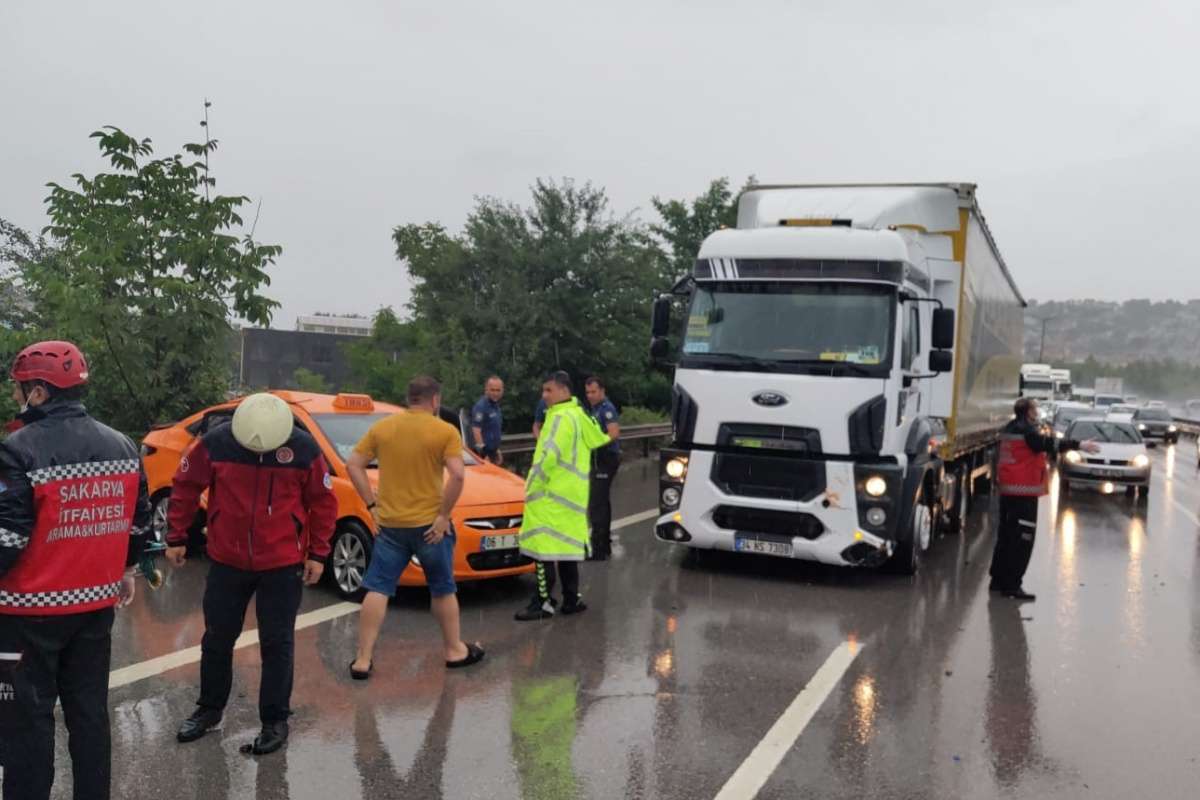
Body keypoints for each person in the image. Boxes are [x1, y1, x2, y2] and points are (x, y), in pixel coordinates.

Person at [0, 340, 151, 800]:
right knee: (89, 715)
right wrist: (126, 569)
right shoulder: (122, 444)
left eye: (20, 389)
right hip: (94, 608)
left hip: (27, 614)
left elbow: (8, 539)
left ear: (40, 393)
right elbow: (139, 522)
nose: (16, 396)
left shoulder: (17, 449)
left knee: (28, 723)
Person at [165, 393, 337, 755]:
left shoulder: (304, 449)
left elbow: (322, 503)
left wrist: (318, 553)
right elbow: (185, 486)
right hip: (227, 561)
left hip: (282, 564)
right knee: (217, 639)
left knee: (277, 644)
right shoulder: (216, 443)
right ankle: (209, 710)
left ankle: (275, 721)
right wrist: (177, 535)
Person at [348, 375, 484, 678]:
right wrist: (443, 516)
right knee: (442, 588)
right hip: (430, 528)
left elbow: (353, 464)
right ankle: (454, 651)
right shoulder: (444, 431)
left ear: (409, 399)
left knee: (378, 587)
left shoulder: (383, 428)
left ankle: (362, 659)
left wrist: (372, 506)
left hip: (390, 526)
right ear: (435, 399)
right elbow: (459, 476)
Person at [515, 371, 612, 621]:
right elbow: (599, 438)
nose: (544, 396)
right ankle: (572, 599)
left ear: (563, 391)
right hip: (573, 496)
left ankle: (543, 603)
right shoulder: (579, 415)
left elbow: (548, 456)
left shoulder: (559, 418)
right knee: (567, 550)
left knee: (542, 550)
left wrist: (530, 486)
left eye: (548, 390)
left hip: (549, 494)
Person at [990, 397, 1098, 601]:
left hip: (1008, 491)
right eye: (1035, 408)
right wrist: (1080, 444)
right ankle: (1012, 585)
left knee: (1005, 537)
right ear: (1029, 412)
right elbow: (1048, 443)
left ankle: (997, 580)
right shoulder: (1028, 431)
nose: (1037, 411)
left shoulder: (1010, 427)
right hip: (1024, 492)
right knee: (1022, 540)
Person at [583, 377, 621, 561]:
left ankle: (598, 548)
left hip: (606, 458)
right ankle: (604, 544)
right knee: (602, 502)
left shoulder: (606, 408)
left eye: (593, 392)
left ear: (602, 391)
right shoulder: (594, 409)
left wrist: (597, 443)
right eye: (588, 392)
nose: (590, 395)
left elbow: (613, 433)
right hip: (599, 459)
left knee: (597, 503)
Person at [470, 376, 505, 465]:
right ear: (486, 390)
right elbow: (476, 431)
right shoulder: (481, 407)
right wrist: (483, 454)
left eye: (498, 390)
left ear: (502, 390)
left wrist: (497, 450)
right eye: (492, 390)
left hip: (493, 452)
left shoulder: (496, 406)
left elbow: (493, 430)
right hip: (484, 455)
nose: (495, 393)